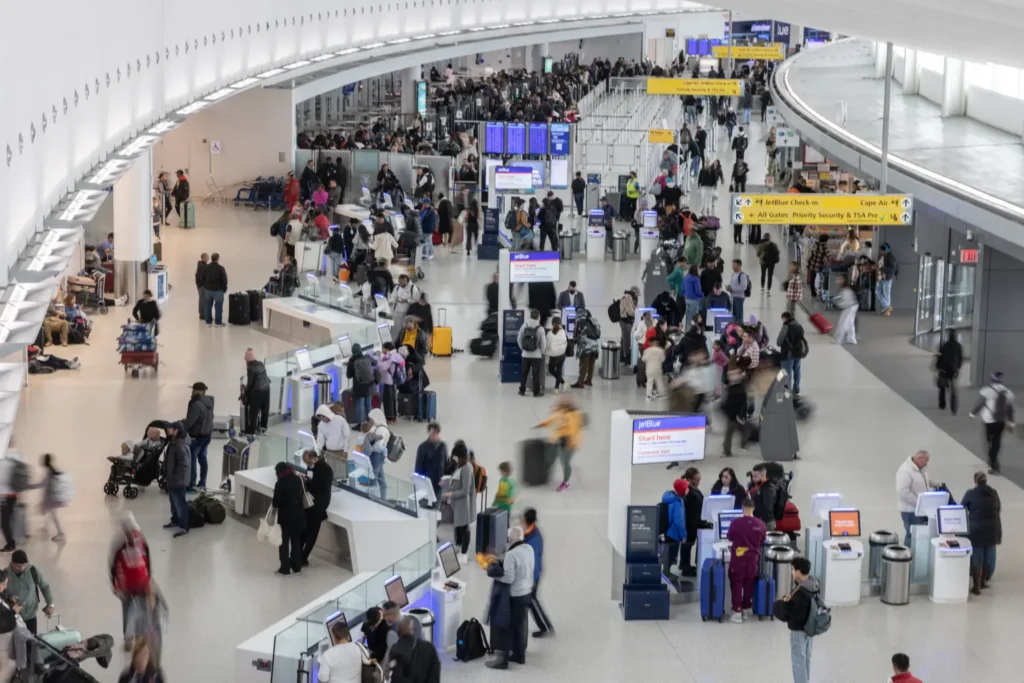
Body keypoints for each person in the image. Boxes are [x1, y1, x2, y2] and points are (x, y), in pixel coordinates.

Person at [484, 526, 535, 669]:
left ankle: (501, 659)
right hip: (527, 592)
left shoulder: (511, 555)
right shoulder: (529, 549)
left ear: (509, 539)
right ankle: (519, 655)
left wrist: (494, 568)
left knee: (504, 625)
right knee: (521, 625)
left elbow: (508, 578)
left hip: (514, 595)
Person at [109, 512, 151, 643]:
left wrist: (149, 579)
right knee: (127, 609)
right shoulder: (118, 543)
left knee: (141, 609)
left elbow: (147, 559)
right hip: (125, 584)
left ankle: (138, 635)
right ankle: (128, 637)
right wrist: (115, 585)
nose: (133, 536)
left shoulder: (140, 538)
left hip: (140, 581)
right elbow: (112, 565)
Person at [726, 496, 768, 622]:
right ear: (753, 508)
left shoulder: (735, 523)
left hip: (738, 559)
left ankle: (737, 612)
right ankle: (745, 609)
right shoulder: (760, 524)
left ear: (742, 508)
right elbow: (763, 540)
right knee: (749, 584)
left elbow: (730, 537)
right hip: (752, 559)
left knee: (737, 583)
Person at [960, 471, 1000, 594]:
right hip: (993, 528)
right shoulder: (993, 493)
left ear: (975, 481)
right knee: (988, 556)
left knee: (977, 556)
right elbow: (998, 507)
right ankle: (983, 582)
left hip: (976, 529)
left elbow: (962, 507)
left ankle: (976, 587)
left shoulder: (971, 493)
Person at [969, 371, 1016, 474]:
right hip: (1000, 421)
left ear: (992, 380)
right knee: (997, 440)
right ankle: (993, 458)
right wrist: (1012, 423)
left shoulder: (986, 391)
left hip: (988, 420)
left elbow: (980, 404)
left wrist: (972, 414)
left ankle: (992, 460)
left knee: (988, 440)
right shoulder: (1008, 393)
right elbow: (1010, 409)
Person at [536, 394, 584, 492]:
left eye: (564, 401)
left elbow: (573, 429)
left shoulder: (574, 414)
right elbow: (553, 419)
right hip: (557, 440)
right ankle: (547, 474)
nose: (562, 402)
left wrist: (569, 441)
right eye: (561, 400)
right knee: (549, 457)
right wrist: (542, 424)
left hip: (569, 442)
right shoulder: (559, 411)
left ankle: (566, 482)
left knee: (565, 462)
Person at [782, 557, 819, 683]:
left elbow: (795, 613)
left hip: (798, 630)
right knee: (806, 659)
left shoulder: (801, 592)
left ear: (798, 571)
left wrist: (786, 606)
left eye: (792, 569)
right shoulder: (812, 585)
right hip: (809, 629)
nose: (792, 572)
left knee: (798, 661)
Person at [522, 508, 553, 638]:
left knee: (532, 600)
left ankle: (546, 627)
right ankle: (545, 626)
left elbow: (534, 561)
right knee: (531, 601)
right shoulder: (530, 533)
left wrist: (532, 582)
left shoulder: (534, 539)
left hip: (533, 576)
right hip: (530, 575)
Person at [6, 551, 54, 634]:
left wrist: (50, 604)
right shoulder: (5, 574)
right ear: (12, 563)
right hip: (12, 617)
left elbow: (45, 587)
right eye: (18, 566)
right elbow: (1, 591)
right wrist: (9, 597)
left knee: (31, 642)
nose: (21, 568)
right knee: (14, 644)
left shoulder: (33, 571)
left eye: (24, 565)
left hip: (30, 615)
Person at [300, 449, 334, 566]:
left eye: (309, 462)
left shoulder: (326, 470)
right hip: (310, 500)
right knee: (304, 530)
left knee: (312, 532)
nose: (308, 465)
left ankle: (304, 556)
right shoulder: (312, 467)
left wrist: (308, 482)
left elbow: (322, 487)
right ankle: (299, 554)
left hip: (319, 503)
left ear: (315, 458)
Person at [272, 462, 306, 576]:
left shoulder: (280, 483)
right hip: (298, 515)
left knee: (284, 542)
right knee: (296, 541)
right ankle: (297, 567)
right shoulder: (297, 479)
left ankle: (284, 568)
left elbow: (275, 503)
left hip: (285, 517)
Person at [387, 616, 441, 683]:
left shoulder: (395, 650)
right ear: (412, 630)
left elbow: (396, 677)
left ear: (398, 631)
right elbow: (435, 668)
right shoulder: (429, 646)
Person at [445, 444, 475, 562]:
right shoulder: (461, 466)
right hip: (459, 505)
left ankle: (464, 553)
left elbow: (465, 490)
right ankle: (462, 550)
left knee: (465, 528)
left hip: (464, 504)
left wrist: (450, 494)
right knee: (462, 528)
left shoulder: (467, 468)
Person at [896, 451, 932, 545]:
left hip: (919, 510)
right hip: (910, 511)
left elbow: (923, 481)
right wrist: (919, 502)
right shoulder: (905, 470)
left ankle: (917, 556)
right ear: (919, 459)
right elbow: (903, 492)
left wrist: (934, 483)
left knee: (919, 536)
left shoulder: (920, 469)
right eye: (926, 461)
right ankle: (908, 556)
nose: (926, 463)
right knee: (911, 535)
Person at [182, 382, 213, 491]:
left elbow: (190, 421)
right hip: (207, 435)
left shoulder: (196, 404)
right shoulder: (208, 402)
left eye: (194, 390)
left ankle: (191, 484)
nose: (192, 392)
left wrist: (182, 428)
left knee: (192, 459)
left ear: (200, 391)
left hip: (197, 436)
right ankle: (202, 482)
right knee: (202, 458)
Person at [161, 423, 190, 538]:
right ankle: (175, 520)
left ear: (177, 431)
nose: (168, 430)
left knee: (180, 503)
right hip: (172, 479)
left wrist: (174, 477)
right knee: (173, 502)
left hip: (178, 480)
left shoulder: (179, 445)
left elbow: (184, 464)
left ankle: (184, 526)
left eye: (171, 429)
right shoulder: (173, 444)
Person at [678, 468, 706, 576]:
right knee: (687, 545)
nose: (698, 481)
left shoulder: (693, 489)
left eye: (699, 479)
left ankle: (685, 565)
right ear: (689, 479)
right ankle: (685, 567)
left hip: (694, 521)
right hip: (689, 522)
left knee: (688, 544)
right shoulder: (688, 491)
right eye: (696, 479)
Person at [314, 403, 350, 482]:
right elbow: (320, 440)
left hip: (341, 451)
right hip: (330, 451)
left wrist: (345, 450)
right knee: (331, 473)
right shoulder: (321, 425)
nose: (323, 419)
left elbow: (347, 436)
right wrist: (317, 452)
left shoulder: (340, 420)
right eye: (321, 418)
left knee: (342, 475)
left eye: (324, 417)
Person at [660, 479, 688, 578]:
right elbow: (679, 522)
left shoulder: (669, 498)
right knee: (671, 554)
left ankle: (666, 572)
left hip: (666, 531)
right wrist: (683, 535)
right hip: (673, 533)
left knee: (667, 554)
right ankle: (666, 574)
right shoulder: (677, 502)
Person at [414, 422, 447, 503]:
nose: (434, 435)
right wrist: (420, 483)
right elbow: (418, 467)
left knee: (437, 509)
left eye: (436, 433)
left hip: (439, 484)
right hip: (426, 485)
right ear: (429, 432)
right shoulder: (423, 447)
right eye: (432, 433)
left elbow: (445, 463)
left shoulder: (443, 446)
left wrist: (444, 479)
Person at [517, 309, 546, 398]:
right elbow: (543, 344)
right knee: (535, 373)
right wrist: (541, 352)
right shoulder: (540, 328)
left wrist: (523, 349)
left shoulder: (524, 325)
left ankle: (522, 390)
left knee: (524, 372)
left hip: (525, 355)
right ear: (538, 316)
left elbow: (519, 339)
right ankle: (536, 392)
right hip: (536, 355)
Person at [346, 344, 378, 425]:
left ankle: (360, 425)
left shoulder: (351, 361)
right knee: (368, 403)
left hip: (358, 386)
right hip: (369, 385)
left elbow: (348, 376)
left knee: (359, 404)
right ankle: (370, 422)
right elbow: (375, 362)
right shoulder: (367, 357)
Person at [243, 348, 272, 435]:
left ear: (248, 360)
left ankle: (251, 430)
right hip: (266, 389)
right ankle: (263, 427)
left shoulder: (250, 368)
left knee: (254, 412)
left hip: (257, 392)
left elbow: (250, 383)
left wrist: (245, 393)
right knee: (265, 409)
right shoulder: (261, 364)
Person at [778, 312, 807, 394]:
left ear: (785, 318)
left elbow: (779, 341)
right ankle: (796, 388)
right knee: (797, 371)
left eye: (782, 319)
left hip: (788, 354)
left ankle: (787, 390)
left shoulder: (786, 326)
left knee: (787, 372)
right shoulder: (800, 326)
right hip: (798, 353)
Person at [934, 329, 963, 414]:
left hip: (943, 370)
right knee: (953, 388)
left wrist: (938, 367)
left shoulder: (945, 345)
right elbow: (960, 359)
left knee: (942, 387)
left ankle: (942, 404)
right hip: (953, 370)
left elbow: (940, 357)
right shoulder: (958, 346)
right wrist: (958, 367)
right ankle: (954, 407)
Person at [201, 253, 228, 327]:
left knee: (208, 305)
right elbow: (224, 279)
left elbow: (202, 277)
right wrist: (224, 288)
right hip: (218, 290)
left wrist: (205, 286)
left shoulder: (206, 267)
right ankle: (218, 322)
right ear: (218, 259)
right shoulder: (221, 268)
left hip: (208, 289)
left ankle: (208, 322)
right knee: (218, 306)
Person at [833, 274, 858, 345]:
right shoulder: (845, 288)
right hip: (853, 305)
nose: (837, 281)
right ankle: (851, 339)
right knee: (850, 323)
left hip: (850, 306)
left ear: (844, 280)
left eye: (839, 279)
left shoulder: (846, 289)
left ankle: (838, 339)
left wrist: (838, 304)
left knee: (843, 322)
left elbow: (846, 302)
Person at [546, 317, 568, 394]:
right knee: (559, 370)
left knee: (551, 369)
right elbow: (565, 343)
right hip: (562, 354)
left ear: (552, 323)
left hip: (553, 355)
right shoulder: (563, 332)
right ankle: (559, 386)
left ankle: (560, 385)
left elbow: (547, 345)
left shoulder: (549, 333)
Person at [875, 242, 897, 316]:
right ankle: (887, 307)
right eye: (881, 250)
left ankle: (886, 311)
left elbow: (892, 268)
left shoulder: (891, 257)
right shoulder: (881, 256)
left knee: (886, 295)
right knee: (877, 292)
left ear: (887, 250)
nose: (882, 252)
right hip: (879, 277)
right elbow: (878, 264)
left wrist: (883, 268)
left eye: (883, 250)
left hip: (886, 278)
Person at [194, 253, 209, 320]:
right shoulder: (202, 266)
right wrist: (203, 284)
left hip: (201, 285)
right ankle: (203, 315)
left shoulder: (202, 265)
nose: (208, 259)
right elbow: (200, 277)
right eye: (207, 257)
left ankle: (203, 314)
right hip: (202, 286)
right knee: (203, 300)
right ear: (203, 258)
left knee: (203, 299)